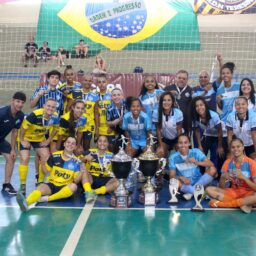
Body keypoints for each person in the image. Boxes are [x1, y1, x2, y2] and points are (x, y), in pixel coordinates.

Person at [16, 137, 85, 212]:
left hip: (65, 187)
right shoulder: (55, 156)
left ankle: (47, 198)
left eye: (73, 143)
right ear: (64, 144)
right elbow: (46, 172)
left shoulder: (77, 162)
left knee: (73, 186)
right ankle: (26, 203)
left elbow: (76, 180)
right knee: (40, 188)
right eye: (68, 142)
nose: (70, 145)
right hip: (52, 184)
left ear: (75, 147)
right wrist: (42, 165)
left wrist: (82, 172)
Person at [18, 98, 59, 196]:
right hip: (26, 137)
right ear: (44, 105)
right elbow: (23, 127)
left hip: (39, 138)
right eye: (48, 106)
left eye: (53, 107)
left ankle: (40, 181)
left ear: (55, 108)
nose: (50, 108)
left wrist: (48, 140)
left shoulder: (56, 116)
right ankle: (22, 185)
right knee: (25, 158)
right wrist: (22, 140)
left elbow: (56, 129)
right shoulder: (35, 115)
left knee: (46, 157)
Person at [206, 138, 256, 214]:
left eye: (238, 146)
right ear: (230, 149)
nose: (236, 149)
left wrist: (244, 178)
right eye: (233, 147)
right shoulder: (227, 163)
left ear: (243, 147)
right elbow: (221, 188)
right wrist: (223, 177)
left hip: (249, 193)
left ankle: (222, 204)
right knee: (209, 189)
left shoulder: (252, 163)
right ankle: (243, 203)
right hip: (234, 192)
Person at [168, 134, 216, 200]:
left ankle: (190, 192)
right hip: (185, 183)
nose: (183, 145)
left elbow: (210, 164)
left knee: (213, 169)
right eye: (180, 143)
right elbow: (171, 176)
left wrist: (196, 162)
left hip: (198, 181)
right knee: (173, 181)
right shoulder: (173, 157)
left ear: (189, 144)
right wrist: (181, 177)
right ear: (177, 144)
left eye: (185, 142)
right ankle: (200, 192)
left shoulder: (196, 152)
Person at [190, 96, 226, 174]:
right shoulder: (195, 117)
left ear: (205, 105)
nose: (199, 107)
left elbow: (220, 131)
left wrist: (220, 146)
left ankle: (217, 174)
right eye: (197, 106)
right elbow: (197, 130)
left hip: (218, 136)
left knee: (217, 154)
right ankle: (201, 173)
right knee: (201, 153)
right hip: (208, 135)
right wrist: (199, 145)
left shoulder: (214, 115)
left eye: (201, 105)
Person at [0, 91, 26, 195]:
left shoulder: (20, 115)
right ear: (12, 101)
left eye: (22, 102)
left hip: (1, 140)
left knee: (11, 157)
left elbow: (15, 132)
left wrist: (13, 149)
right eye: (18, 101)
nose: (20, 104)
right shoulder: (2, 113)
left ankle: (7, 185)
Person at [81, 135, 118, 203]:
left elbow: (115, 170)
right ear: (97, 143)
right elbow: (78, 161)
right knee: (83, 170)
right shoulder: (89, 152)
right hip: (91, 179)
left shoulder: (112, 155)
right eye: (100, 141)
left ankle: (93, 192)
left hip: (105, 179)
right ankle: (88, 190)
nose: (102, 143)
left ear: (107, 144)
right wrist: (85, 158)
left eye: (105, 141)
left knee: (118, 182)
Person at [67, 74, 98, 151]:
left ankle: (85, 162)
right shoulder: (75, 92)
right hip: (76, 123)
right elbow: (68, 108)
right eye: (86, 80)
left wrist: (97, 129)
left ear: (92, 82)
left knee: (87, 147)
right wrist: (72, 120)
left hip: (89, 124)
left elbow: (96, 114)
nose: (88, 82)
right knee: (75, 146)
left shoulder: (95, 96)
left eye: (90, 80)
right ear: (82, 81)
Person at [153, 91, 183, 158]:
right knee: (159, 153)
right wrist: (160, 146)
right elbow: (158, 130)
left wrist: (179, 143)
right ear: (161, 102)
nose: (166, 102)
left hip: (176, 138)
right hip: (165, 139)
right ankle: (163, 163)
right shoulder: (156, 112)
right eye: (164, 100)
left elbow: (179, 130)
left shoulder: (178, 112)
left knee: (182, 153)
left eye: (169, 100)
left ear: (172, 102)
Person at [94, 75, 115, 151]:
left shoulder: (112, 96)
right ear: (97, 84)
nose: (101, 84)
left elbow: (115, 113)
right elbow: (96, 114)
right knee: (99, 148)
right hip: (100, 128)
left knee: (110, 148)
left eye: (103, 82)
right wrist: (96, 129)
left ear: (107, 83)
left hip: (109, 127)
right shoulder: (95, 96)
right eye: (99, 82)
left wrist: (112, 127)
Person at [107, 88, 127, 153]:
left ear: (122, 96)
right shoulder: (110, 108)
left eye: (118, 95)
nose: (116, 97)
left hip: (130, 128)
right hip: (118, 128)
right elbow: (108, 122)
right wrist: (113, 123)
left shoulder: (128, 104)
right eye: (114, 95)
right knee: (117, 149)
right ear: (111, 97)